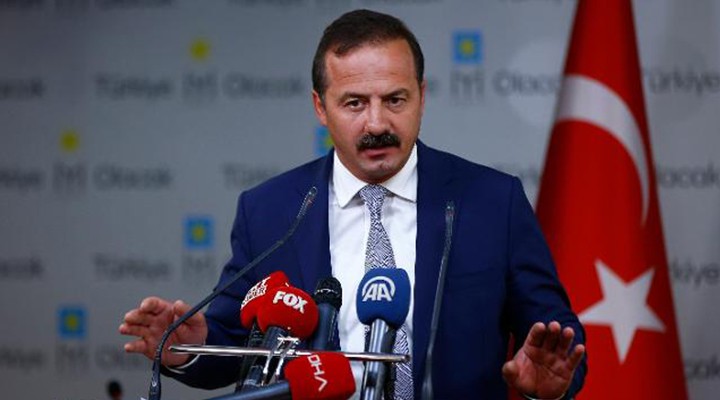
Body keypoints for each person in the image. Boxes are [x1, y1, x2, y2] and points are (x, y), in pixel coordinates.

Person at [120, 9, 586, 399]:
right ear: (320, 107)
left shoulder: (491, 201)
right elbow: (234, 344)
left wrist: (550, 384)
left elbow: (555, 340)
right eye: (355, 104)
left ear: (422, 97)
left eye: (395, 99)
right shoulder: (270, 211)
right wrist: (188, 347)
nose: (377, 123)